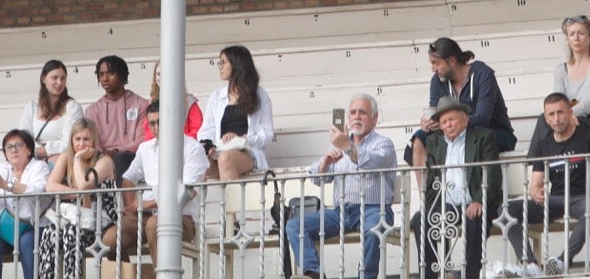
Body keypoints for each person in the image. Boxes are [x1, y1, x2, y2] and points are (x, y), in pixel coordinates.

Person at [286, 94, 397, 279]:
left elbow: (369, 162)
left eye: (362, 112)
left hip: (374, 210)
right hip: (341, 212)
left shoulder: (383, 143)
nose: (356, 117)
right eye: (352, 113)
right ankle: (312, 274)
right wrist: (325, 163)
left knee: (373, 230)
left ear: (375, 118)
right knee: (294, 226)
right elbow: (315, 176)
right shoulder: (341, 144)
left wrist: (346, 146)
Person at [502, 92, 590, 276]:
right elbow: (535, 184)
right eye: (551, 114)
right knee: (505, 210)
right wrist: (537, 193)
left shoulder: (589, 136)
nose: (556, 118)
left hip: (583, 199)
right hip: (555, 200)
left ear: (570, 113)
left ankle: (561, 262)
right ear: (546, 118)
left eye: (560, 112)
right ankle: (531, 266)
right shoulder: (543, 145)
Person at [102, 102, 210, 262]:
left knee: (156, 225)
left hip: (183, 217)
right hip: (145, 217)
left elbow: (186, 192)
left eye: (161, 121)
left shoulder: (193, 148)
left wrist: (145, 204)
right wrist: (131, 203)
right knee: (109, 239)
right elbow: (128, 177)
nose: (157, 127)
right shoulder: (145, 148)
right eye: (152, 123)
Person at [410, 97, 502, 279]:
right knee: (421, 219)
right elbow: (430, 180)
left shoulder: (483, 137)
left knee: (475, 220)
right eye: (444, 122)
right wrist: (429, 206)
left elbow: (492, 174)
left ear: (465, 118)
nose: (448, 125)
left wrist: (478, 200)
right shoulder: (434, 141)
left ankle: (471, 275)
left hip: (473, 201)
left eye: (452, 119)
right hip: (446, 204)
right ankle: (432, 275)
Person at [410, 37, 516, 171]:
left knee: (469, 137)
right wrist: (428, 123)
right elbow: (436, 114)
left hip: (494, 132)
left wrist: (453, 124)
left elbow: (483, 117)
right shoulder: (437, 81)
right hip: (454, 132)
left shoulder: (483, 74)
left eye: (436, 63)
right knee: (419, 138)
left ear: (452, 61)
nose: (433, 69)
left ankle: (473, 191)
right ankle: (427, 192)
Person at [36, 118, 117, 279]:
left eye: (86, 139)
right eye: (77, 139)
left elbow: (84, 185)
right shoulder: (66, 157)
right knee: (48, 233)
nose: (81, 144)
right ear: (71, 140)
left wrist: (78, 159)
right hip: (75, 216)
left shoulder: (104, 161)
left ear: (94, 141)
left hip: (101, 221)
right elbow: (51, 186)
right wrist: (77, 194)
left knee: (71, 232)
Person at [201, 44, 276, 180]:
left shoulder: (260, 95)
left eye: (223, 62)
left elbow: (267, 134)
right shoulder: (216, 96)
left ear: (236, 65)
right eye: (219, 63)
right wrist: (207, 145)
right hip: (220, 150)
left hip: (247, 152)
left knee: (225, 159)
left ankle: (232, 202)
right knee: (198, 161)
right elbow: (207, 129)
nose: (220, 67)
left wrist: (241, 138)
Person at [0, 129, 50, 272]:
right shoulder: (2, 169)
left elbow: (37, 191)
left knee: (26, 241)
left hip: (35, 227)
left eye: (18, 145)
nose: (14, 150)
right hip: (8, 229)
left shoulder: (39, 167)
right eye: (9, 147)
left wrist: (6, 185)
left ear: (29, 149)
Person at [553, 15, 590, 139]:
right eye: (572, 34)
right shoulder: (560, 69)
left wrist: (565, 115)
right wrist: (562, 116)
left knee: (554, 121)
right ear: (567, 39)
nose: (576, 38)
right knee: (544, 119)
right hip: (567, 123)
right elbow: (557, 102)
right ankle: (536, 158)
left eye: (581, 33)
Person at [88, 56, 148, 171]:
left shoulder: (141, 104)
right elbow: (92, 142)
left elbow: (142, 140)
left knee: (121, 159)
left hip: (132, 158)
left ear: (122, 75)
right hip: (101, 160)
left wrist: (116, 151)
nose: (105, 78)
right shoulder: (92, 110)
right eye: (101, 74)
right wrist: (103, 155)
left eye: (110, 73)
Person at [19, 58, 86, 161]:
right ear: (43, 79)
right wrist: (36, 152)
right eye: (54, 77)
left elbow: (69, 142)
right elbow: (24, 139)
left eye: (63, 78)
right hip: (34, 161)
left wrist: (38, 151)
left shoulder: (72, 107)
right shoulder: (31, 107)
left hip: (62, 160)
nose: (59, 82)